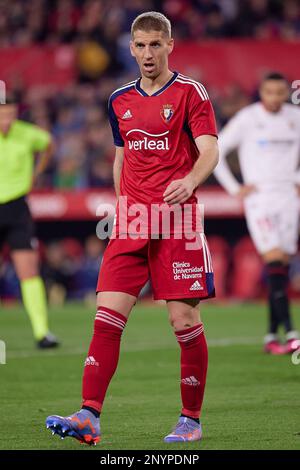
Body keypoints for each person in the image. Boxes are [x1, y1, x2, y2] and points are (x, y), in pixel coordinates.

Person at [46, 11, 218, 445]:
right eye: (140, 45)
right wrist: (122, 202)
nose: (147, 53)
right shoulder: (119, 99)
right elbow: (122, 153)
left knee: (182, 321)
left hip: (177, 221)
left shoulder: (190, 93)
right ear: (130, 47)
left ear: (170, 46)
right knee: (106, 317)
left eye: (155, 44)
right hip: (132, 220)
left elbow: (210, 150)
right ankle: (88, 416)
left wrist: (191, 180)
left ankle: (191, 419)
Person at [214, 72, 300, 355]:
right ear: (261, 93)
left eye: (279, 92)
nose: (274, 98)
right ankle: (291, 332)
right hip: (260, 198)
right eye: (269, 92)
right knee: (274, 257)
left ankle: (269, 338)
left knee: (282, 265)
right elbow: (217, 150)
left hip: (289, 196)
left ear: (286, 94)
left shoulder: (294, 117)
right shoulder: (248, 119)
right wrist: (234, 188)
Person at [0, 98, 59, 348]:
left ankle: (41, 332)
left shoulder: (27, 134)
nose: (7, 120)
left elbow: (49, 144)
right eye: (3, 115)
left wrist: (37, 172)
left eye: (11, 114)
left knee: (29, 270)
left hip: (16, 208)